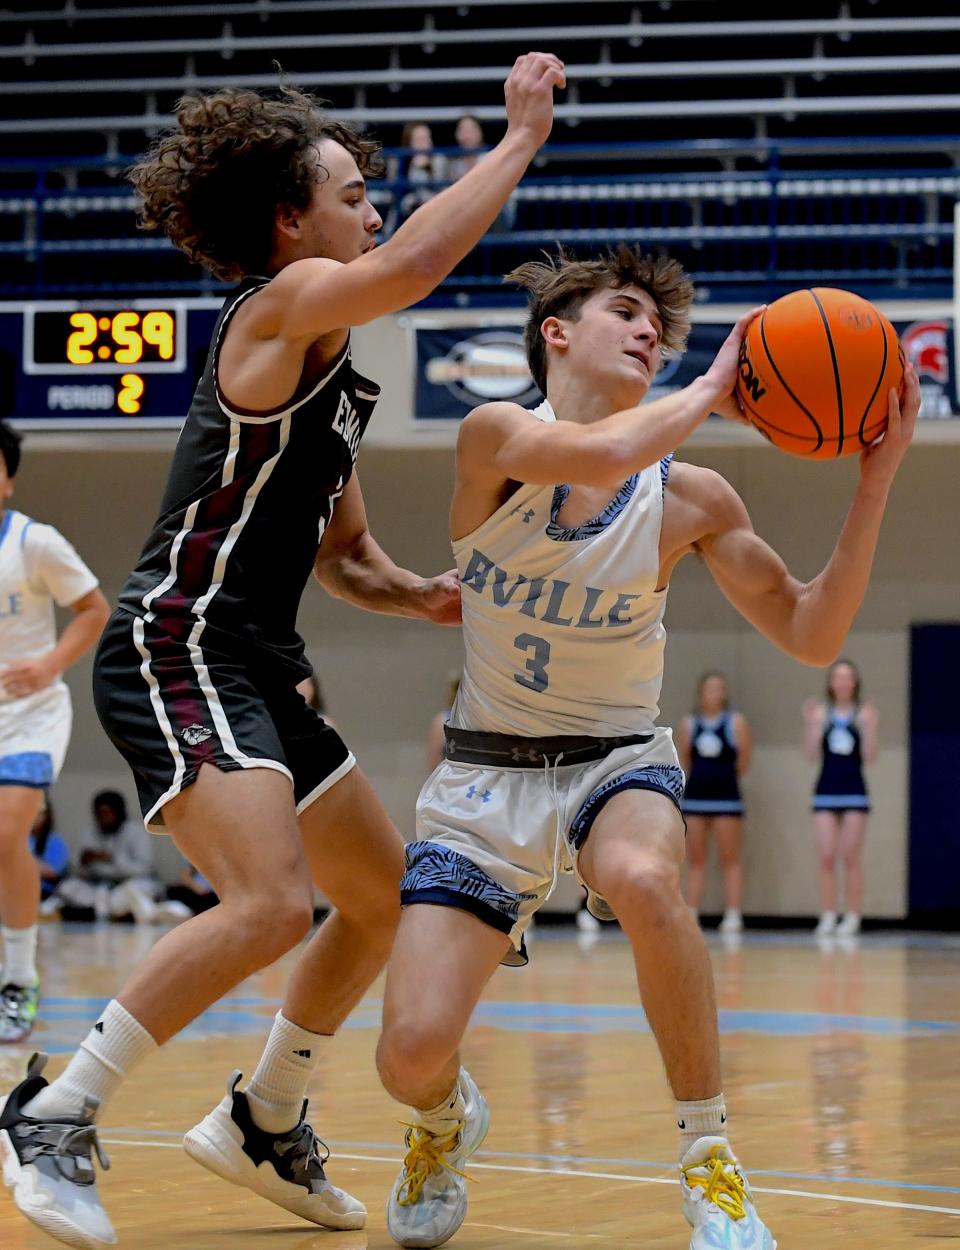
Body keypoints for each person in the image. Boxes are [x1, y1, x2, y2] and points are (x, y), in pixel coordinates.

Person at [0, 54, 564, 1250]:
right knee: (267, 904)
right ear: (288, 221)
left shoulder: (335, 385)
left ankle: (268, 1112)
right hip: (177, 636)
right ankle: (53, 1111)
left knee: (378, 899)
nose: (373, 210)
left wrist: (420, 595)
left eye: (372, 194)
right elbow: (410, 265)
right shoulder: (270, 313)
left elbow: (343, 554)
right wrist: (517, 142)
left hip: (255, 653)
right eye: (353, 193)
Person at [374, 245, 918, 1250]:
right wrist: (718, 380)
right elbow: (594, 456)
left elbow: (811, 633)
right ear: (556, 332)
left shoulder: (692, 496)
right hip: (485, 773)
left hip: (615, 756)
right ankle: (443, 1115)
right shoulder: (493, 436)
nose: (648, 333)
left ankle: (708, 1154)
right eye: (626, 312)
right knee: (406, 1053)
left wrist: (874, 484)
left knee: (644, 877)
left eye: (659, 330)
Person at [0, 420, 109, 1044]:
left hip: (31, 715)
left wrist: (47, 665)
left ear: (8, 480)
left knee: (8, 831)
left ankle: (17, 978)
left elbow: (92, 609)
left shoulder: (34, 543)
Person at [803, 659, 877, 938]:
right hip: (825, 791)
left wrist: (869, 727)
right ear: (831, 683)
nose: (843, 683)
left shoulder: (863, 714)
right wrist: (811, 725)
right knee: (826, 856)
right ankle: (828, 914)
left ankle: (853, 916)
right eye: (838, 677)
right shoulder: (822, 713)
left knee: (851, 856)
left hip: (855, 791)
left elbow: (870, 757)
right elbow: (810, 755)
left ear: (855, 683)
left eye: (848, 677)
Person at [678, 671, 752, 933]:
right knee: (696, 859)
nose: (715, 693)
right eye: (710, 688)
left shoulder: (735, 723)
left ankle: (733, 914)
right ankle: (692, 911)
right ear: (701, 693)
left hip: (727, 799)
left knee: (730, 858)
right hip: (696, 798)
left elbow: (743, 762)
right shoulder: (690, 723)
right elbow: (686, 761)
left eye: (720, 688)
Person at [57, 790, 161, 923]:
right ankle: (109, 912)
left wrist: (112, 858)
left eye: (108, 813)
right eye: (100, 814)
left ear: (119, 812)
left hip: (127, 884)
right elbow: (75, 870)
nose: (104, 818)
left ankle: (114, 911)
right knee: (67, 886)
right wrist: (84, 861)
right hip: (97, 887)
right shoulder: (89, 834)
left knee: (137, 889)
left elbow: (145, 868)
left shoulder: (136, 832)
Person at [449, 114, 516, 232]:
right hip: (465, 217)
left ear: (480, 133)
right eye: (462, 130)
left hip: (496, 214)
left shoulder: (492, 158)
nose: (467, 134)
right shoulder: (455, 166)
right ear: (457, 135)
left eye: (471, 129)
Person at [394, 123, 449, 222]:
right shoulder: (402, 162)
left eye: (427, 138)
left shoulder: (439, 160)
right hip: (407, 218)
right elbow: (399, 199)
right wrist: (415, 168)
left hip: (436, 215)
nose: (425, 144)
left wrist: (425, 168)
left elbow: (443, 193)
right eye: (419, 140)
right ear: (409, 144)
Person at [29, 801, 71, 907]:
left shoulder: (55, 841)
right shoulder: (20, 839)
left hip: (46, 893)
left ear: (47, 816)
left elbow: (53, 873)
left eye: (39, 813)